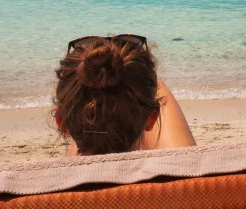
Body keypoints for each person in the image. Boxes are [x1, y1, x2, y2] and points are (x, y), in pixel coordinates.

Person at [53, 34, 196, 156]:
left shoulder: (40, 186)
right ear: (152, 118)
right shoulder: (184, 181)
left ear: (60, 121)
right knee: (157, 86)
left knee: (84, 98)